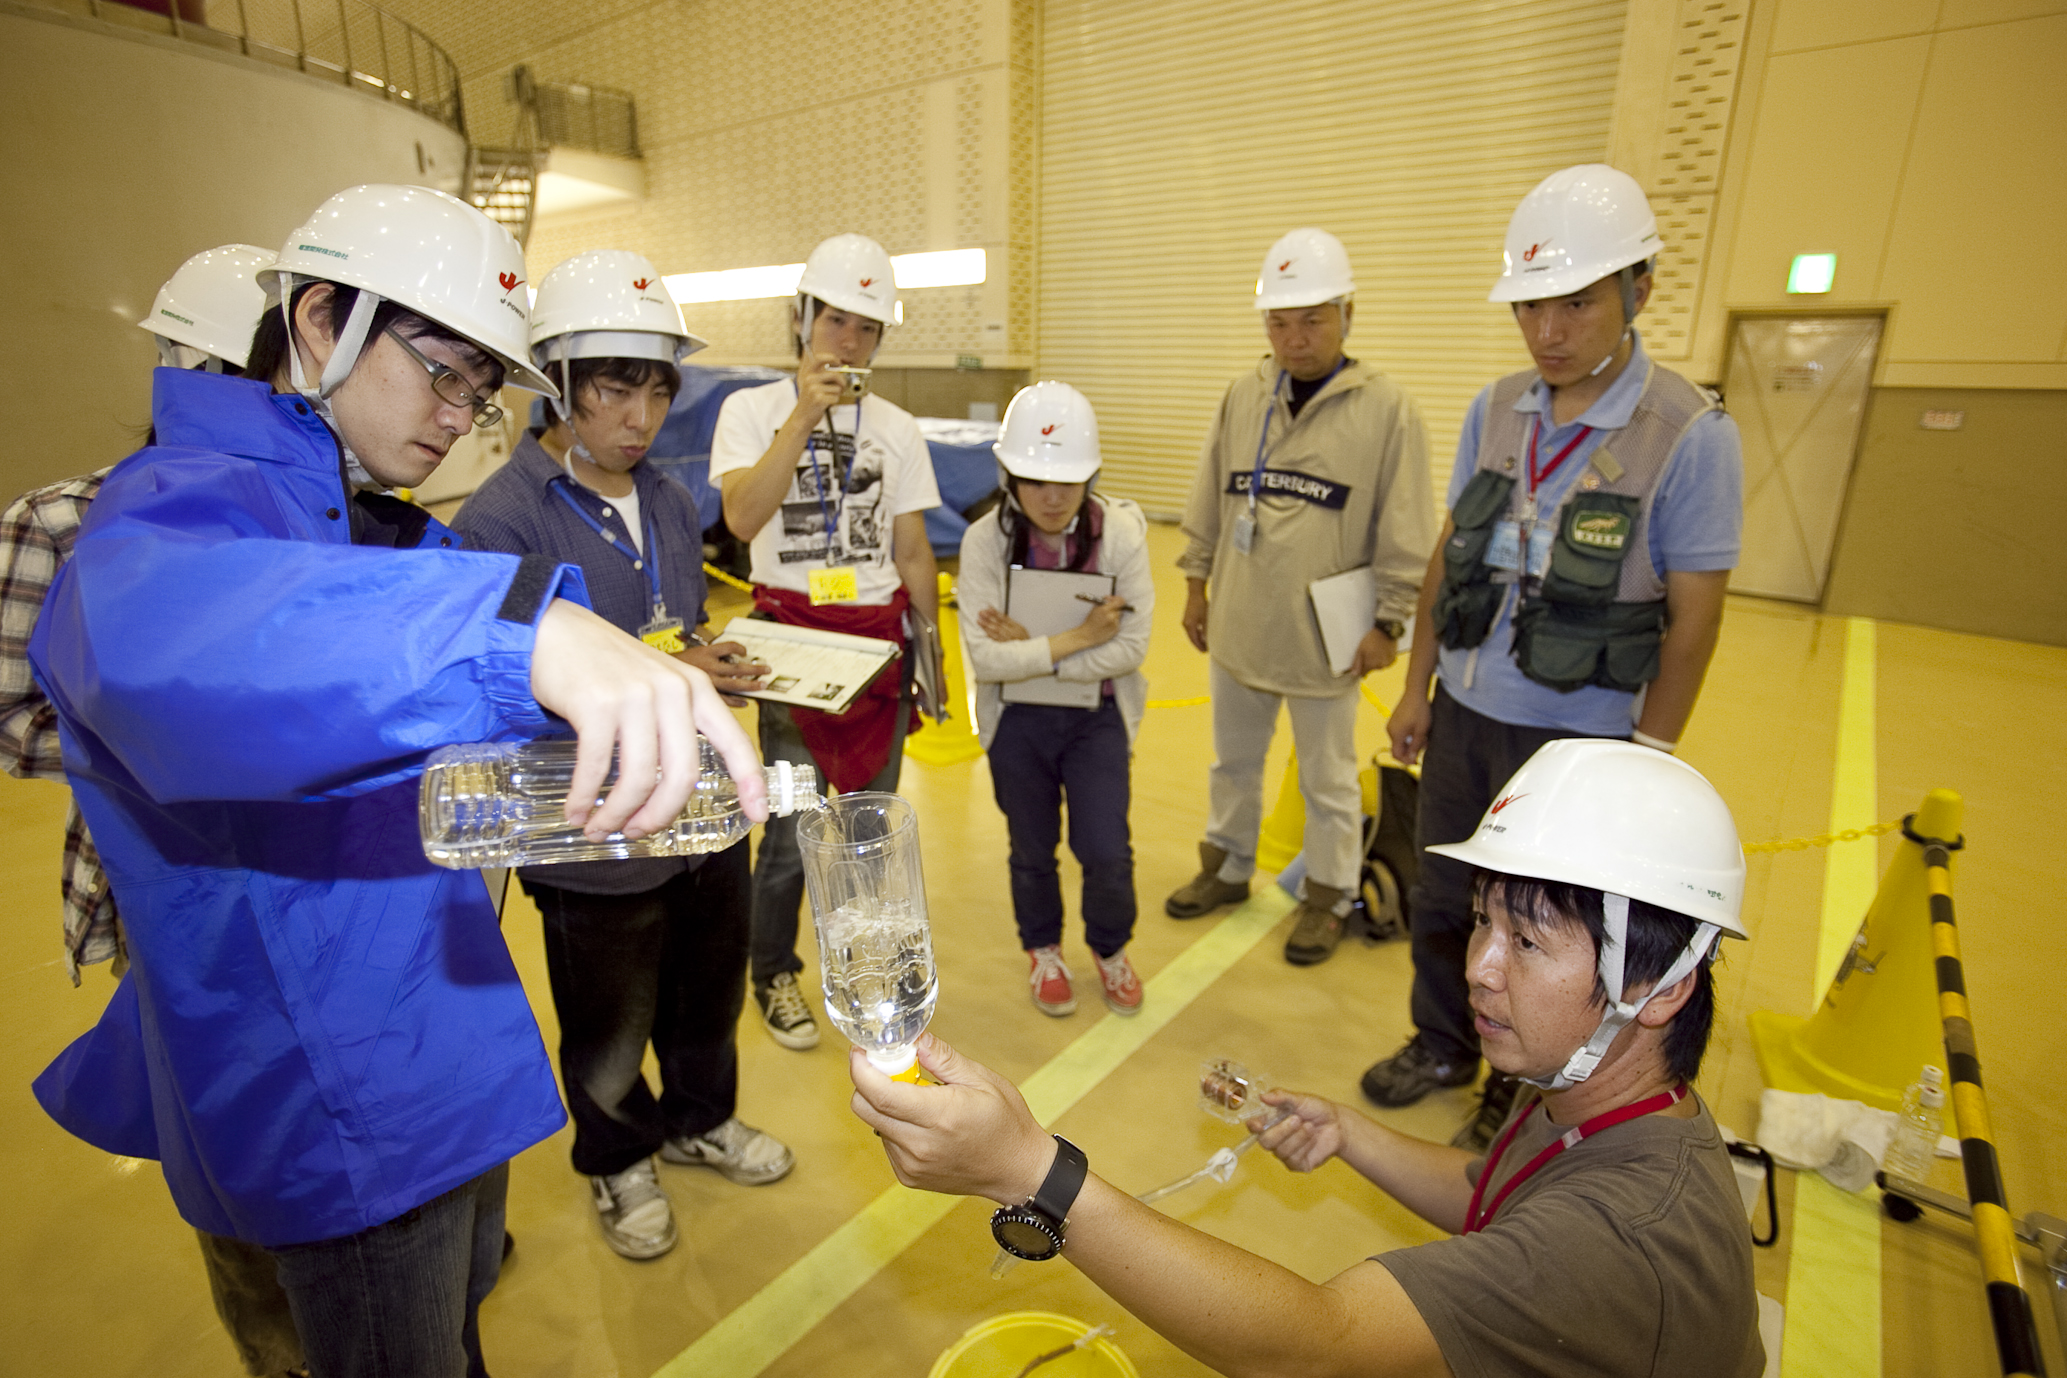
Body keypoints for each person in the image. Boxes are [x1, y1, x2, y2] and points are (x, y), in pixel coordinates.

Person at [28, 185, 764, 1378]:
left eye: (483, 390)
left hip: (422, 1045)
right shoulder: (183, 507)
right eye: (445, 373)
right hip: (340, 1101)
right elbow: (176, 634)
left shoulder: (349, 509)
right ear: (321, 319)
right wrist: (516, 633)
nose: (460, 417)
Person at [851, 739, 1764, 1378]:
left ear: (1662, 986)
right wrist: (1353, 1136)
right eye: (1484, 920)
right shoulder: (1605, 1097)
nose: (1478, 969)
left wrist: (1029, 1171)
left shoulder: (1615, 1240)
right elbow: (1499, 1193)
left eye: (1527, 944)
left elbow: (1309, 1347)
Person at [1362, 165, 1743, 1151]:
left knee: (1542, 934)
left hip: (1579, 742)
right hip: (1465, 715)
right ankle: (1441, 1039)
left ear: (1639, 291)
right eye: (1532, 305)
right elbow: (1453, 551)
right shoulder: (1497, 408)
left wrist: (1650, 754)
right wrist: (1417, 686)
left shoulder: (1689, 436)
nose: (1549, 329)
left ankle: (1518, 1083)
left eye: (1575, 301)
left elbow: (1697, 619)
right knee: (1450, 899)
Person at [4, 241, 314, 1378]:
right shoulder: (62, 524)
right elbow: (13, 715)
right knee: (234, 1162)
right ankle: (277, 1347)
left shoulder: (318, 519)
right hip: (169, 905)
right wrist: (154, 758)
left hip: (317, 896)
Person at [451, 249, 793, 1262]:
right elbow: (498, 686)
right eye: (614, 385)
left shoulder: (677, 505)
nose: (640, 414)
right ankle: (617, 1157)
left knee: (706, 988)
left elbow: (663, 630)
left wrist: (701, 661)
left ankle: (696, 1119)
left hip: (699, 813)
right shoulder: (500, 522)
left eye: (656, 387)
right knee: (607, 1017)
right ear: (555, 383)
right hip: (590, 828)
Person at [1167, 227, 1436, 965]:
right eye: (1278, 322)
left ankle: (1328, 896)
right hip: (1241, 626)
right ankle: (1225, 867)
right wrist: (1196, 587)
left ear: (1348, 312)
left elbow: (1407, 529)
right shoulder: (1243, 393)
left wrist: (1387, 622)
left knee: (1327, 780)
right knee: (1232, 764)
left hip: (1329, 639)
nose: (1294, 337)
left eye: (1312, 318)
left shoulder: (1386, 409)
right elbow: (1207, 499)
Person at [710, 232, 941, 1050]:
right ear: (803, 319)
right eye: (836, 320)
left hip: (877, 648)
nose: (849, 341)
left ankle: (867, 962)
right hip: (792, 654)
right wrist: (805, 414)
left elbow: (910, 549)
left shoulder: (898, 428)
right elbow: (740, 519)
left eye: (867, 328)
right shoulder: (749, 412)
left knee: (872, 830)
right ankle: (772, 970)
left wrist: (934, 657)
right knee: (790, 830)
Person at [959, 381, 1153, 1018]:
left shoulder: (1121, 534)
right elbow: (987, 659)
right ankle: (1043, 948)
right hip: (1016, 723)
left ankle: (1110, 947)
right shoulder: (984, 542)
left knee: (1106, 849)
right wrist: (1077, 637)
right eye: (1034, 480)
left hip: (1096, 720)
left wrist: (1036, 652)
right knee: (1031, 848)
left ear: (1091, 476)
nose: (1051, 496)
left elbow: (1131, 648)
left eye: (1067, 482)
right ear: (1008, 475)